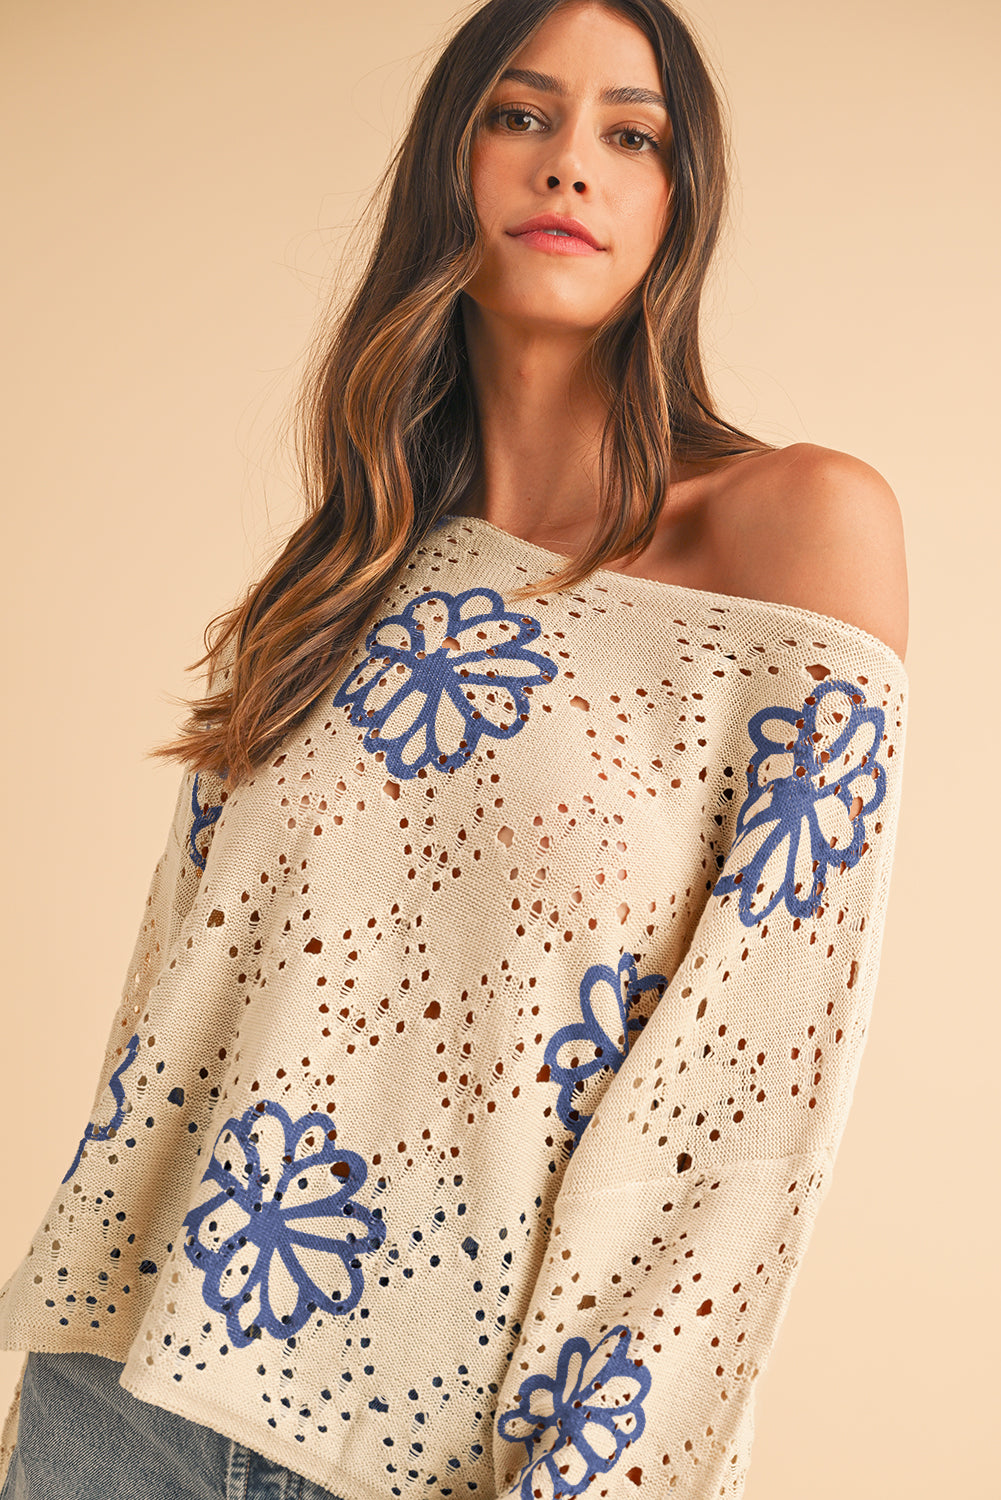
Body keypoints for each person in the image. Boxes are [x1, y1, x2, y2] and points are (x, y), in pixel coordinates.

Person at [0, 0, 908, 1496]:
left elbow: (747, 1106)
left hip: (439, 1446)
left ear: (680, 206)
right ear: (450, 162)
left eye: (631, 136)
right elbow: (170, 1018)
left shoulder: (793, 531)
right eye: (520, 115)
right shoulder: (338, 576)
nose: (570, 166)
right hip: (119, 1398)